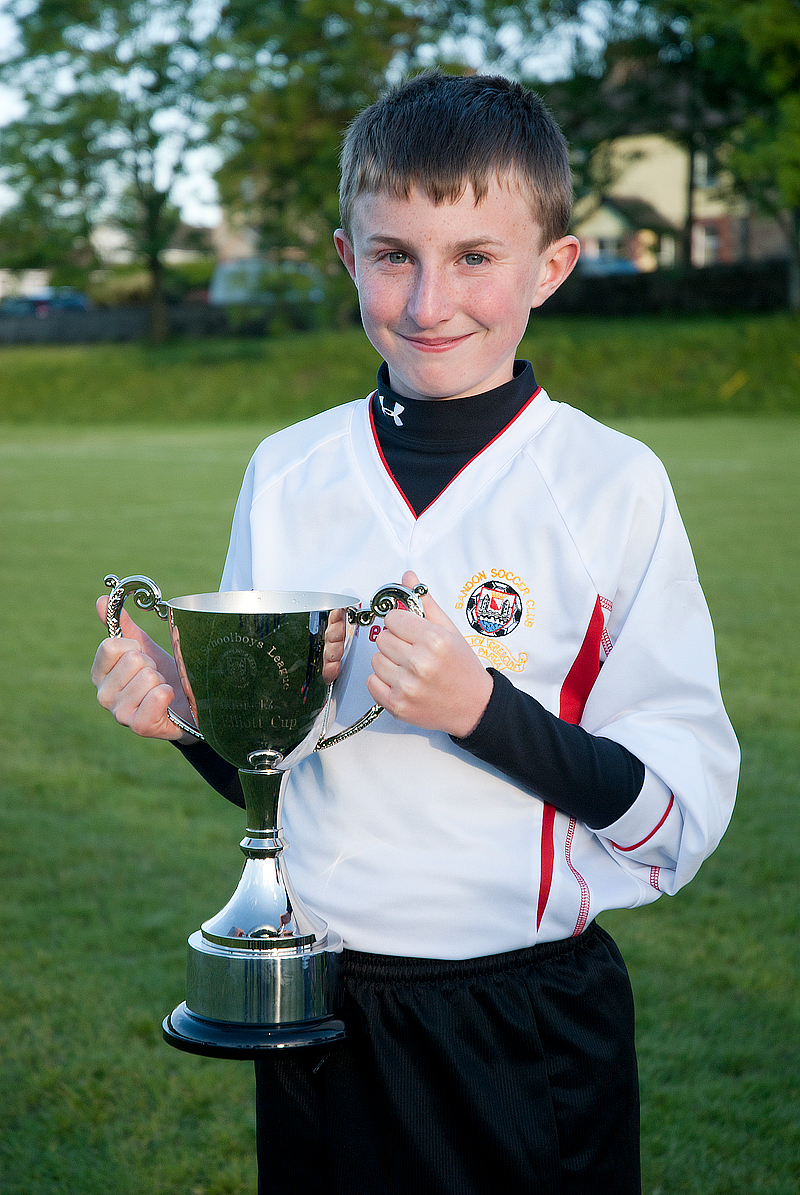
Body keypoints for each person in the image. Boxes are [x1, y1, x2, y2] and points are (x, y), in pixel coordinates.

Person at [91, 71, 739, 1195]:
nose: (429, 299)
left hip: (521, 1014)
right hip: (319, 1006)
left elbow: (669, 813)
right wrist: (189, 717)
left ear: (550, 266)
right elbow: (278, 774)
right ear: (347, 259)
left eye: (474, 256)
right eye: (393, 255)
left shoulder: (609, 485)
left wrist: (478, 710)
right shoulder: (288, 471)